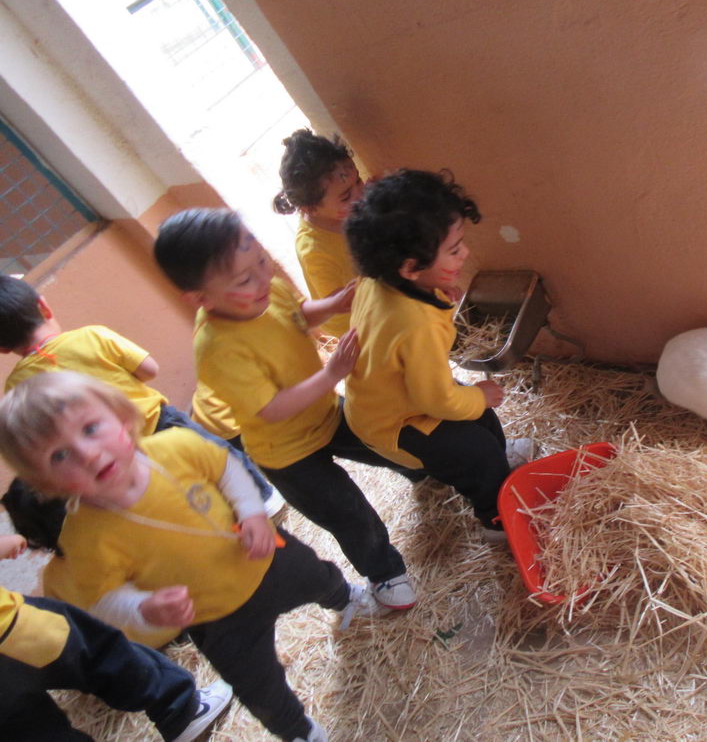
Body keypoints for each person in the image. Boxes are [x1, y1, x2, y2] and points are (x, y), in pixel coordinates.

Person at [0, 372, 369, 742]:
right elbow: (102, 597)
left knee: (320, 577)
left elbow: (227, 468)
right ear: (46, 484)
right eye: (59, 455)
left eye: (91, 427)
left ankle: (346, 598)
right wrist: (144, 608)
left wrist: (251, 511)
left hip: (269, 558)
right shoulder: (84, 539)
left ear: (122, 416)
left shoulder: (175, 446)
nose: (88, 453)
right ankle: (300, 731)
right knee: (260, 691)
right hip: (216, 620)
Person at [153, 209, 416, 612]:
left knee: (384, 435)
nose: (262, 277)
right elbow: (272, 409)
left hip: (324, 410)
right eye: (244, 278)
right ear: (200, 298)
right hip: (289, 453)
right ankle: (384, 574)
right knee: (348, 512)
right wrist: (332, 373)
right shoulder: (219, 348)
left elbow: (295, 315)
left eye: (261, 259)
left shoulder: (266, 289)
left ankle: (422, 469)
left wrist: (331, 304)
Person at [0, 275, 283, 554]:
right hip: (159, 423)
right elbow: (149, 369)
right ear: (44, 306)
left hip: (120, 460)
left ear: (2, 348)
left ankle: (221, 539)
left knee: (178, 499)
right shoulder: (91, 336)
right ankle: (266, 504)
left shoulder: (16, 386)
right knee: (219, 457)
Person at [344, 169, 532, 539]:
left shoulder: (380, 278)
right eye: (454, 250)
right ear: (411, 268)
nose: (465, 254)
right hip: (394, 422)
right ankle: (494, 517)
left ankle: (500, 461)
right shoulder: (416, 324)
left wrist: (439, 289)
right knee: (474, 451)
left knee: (484, 424)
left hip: (388, 397)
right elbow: (437, 399)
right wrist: (478, 395)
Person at [1, 531, 233, 741]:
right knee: (100, 652)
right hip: (12, 628)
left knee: (27, 728)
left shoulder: (54, 577)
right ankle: (181, 708)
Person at [272, 129, 364, 338]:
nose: (360, 193)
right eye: (346, 195)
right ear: (310, 208)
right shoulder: (314, 250)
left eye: (357, 181)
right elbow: (340, 301)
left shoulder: (346, 210)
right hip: (353, 324)